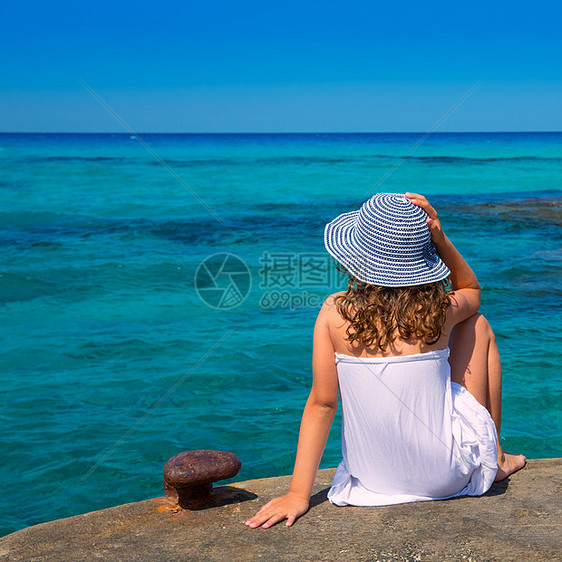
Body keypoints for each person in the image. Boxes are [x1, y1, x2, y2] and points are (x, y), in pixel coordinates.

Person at [245, 192, 526, 529]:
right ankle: (492, 456)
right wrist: (440, 236)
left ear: (356, 257)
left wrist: (297, 495)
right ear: (421, 258)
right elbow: (472, 289)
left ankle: (489, 456)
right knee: (477, 324)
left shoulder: (335, 313)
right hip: (446, 476)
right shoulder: (439, 311)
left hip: (373, 480)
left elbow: (322, 404)